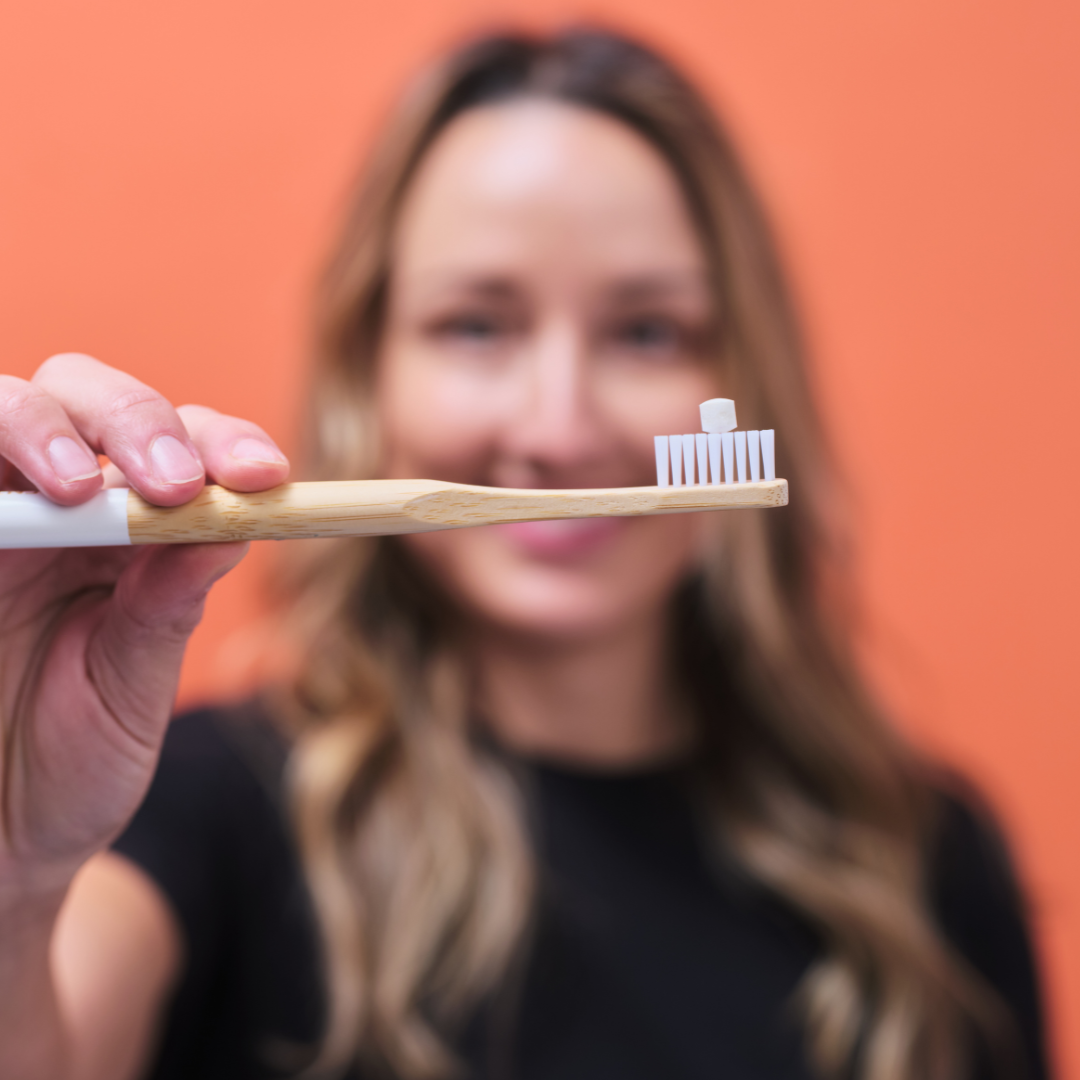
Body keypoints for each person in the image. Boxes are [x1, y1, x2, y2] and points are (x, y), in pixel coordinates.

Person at [0, 28, 1049, 1080]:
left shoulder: (925, 865)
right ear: (372, 379)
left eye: (647, 331)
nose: (559, 427)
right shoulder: (201, 810)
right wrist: (17, 877)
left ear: (746, 377)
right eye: (476, 325)